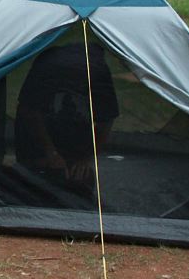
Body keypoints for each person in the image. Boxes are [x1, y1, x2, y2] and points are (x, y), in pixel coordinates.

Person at [14, 40, 119, 186]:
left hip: (76, 142)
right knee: (35, 180)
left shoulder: (97, 72)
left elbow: (106, 120)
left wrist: (87, 157)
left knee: (79, 177)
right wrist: (50, 152)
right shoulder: (47, 68)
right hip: (37, 143)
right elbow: (29, 112)